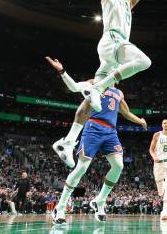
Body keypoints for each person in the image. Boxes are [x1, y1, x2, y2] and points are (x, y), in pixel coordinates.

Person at [50, 0, 150, 169]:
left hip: (112, 53)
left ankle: (67, 142)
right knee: (144, 62)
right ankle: (98, 88)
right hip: (113, 42)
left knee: (89, 96)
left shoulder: (128, 4)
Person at [51, 83, 147, 224]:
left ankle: (99, 201)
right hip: (93, 127)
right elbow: (75, 87)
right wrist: (63, 73)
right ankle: (60, 207)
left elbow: (126, 113)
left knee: (118, 166)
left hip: (110, 131)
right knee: (81, 168)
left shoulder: (119, 92)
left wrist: (141, 121)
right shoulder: (96, 81)